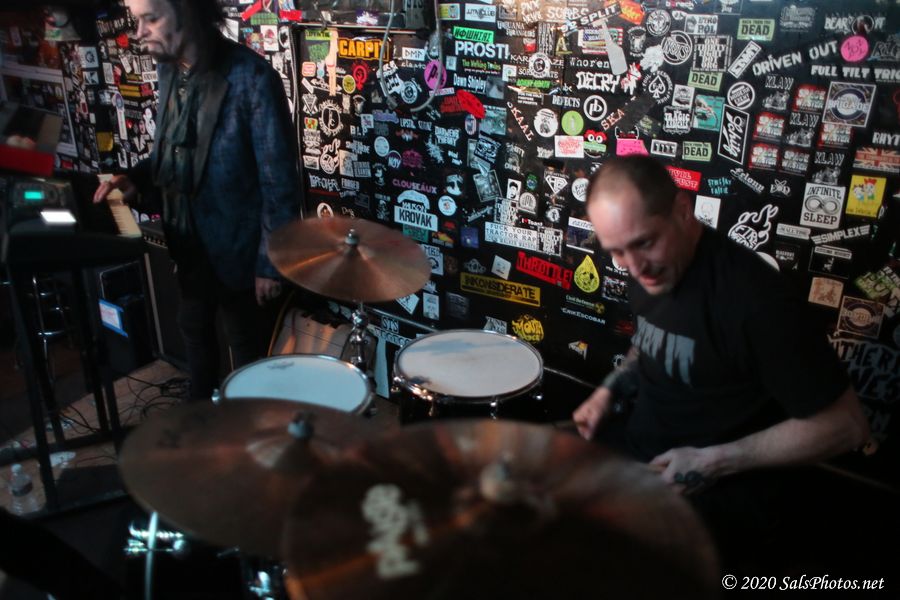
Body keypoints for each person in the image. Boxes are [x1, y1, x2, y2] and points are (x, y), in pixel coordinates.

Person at [572, 156, 869, 560]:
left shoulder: (756, 302)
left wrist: (714, 462)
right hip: (641, 453)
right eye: (617, 252)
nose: (635, 267)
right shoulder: (649, 268)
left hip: (716, 494)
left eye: (644, 243)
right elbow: (650, 340)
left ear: (682, 210)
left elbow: (848, 426)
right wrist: (609, 389)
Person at [94, 0, 302, 401]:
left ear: (187, 14)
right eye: (137, 20)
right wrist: (134, 179)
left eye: (151, 19)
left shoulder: (253, 77)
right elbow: (171, 153)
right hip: (187, 242)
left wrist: (269, 265)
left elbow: (279, 184)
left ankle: (249, 427)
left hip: (239, 251)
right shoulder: (168, 68)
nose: (139, 33)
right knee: (192, 329)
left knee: (247, 352)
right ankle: (200, 416)